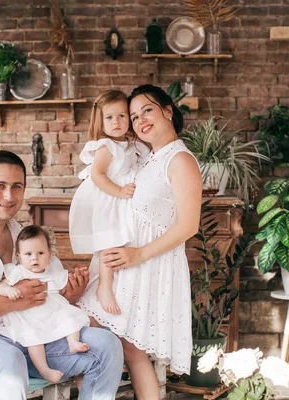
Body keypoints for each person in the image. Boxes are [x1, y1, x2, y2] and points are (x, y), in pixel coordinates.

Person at [0, 150, 123, 400]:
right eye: (0, 186)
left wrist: (70, 294)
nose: (9, 197)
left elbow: (47, 292)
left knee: (107, 345)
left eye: (16, 187)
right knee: (10, 361)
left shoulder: (23, 235)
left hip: (28, 334)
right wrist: (11, 303)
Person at [78, 84, 203, 399]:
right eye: (133, 116)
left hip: (148, 266)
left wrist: (138, 255)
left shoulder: (181, 159)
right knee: (111, 341)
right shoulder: (149, 156)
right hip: (127, 265)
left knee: (130, 350)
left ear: (167, 110)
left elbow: (189, 225)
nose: (140, 120)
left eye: (147, 110)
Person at [69, 90, 149, 314]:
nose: (116, 122)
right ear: (100, 121)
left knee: (121, 242)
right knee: (109, 242)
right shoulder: (106, 146)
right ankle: (104, 286)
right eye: (110, 117)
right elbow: (98, 175)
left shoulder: (131, 144)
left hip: (121, 200)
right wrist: (119, 190)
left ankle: (115, 284)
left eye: (122, 116)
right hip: (107, 199)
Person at [0, 225, 91, 383]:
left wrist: (79, 277)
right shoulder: (17, 272)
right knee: (34, 338)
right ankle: (44, 369)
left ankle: (73, 342)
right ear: (19, 257)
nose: (35, 258)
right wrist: (8, 291)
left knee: (69, 315)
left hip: (51, 311)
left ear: (49, 255)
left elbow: (63, 290)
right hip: (29, 315)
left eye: (40, 253)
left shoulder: (53, 272)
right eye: (28, 254)